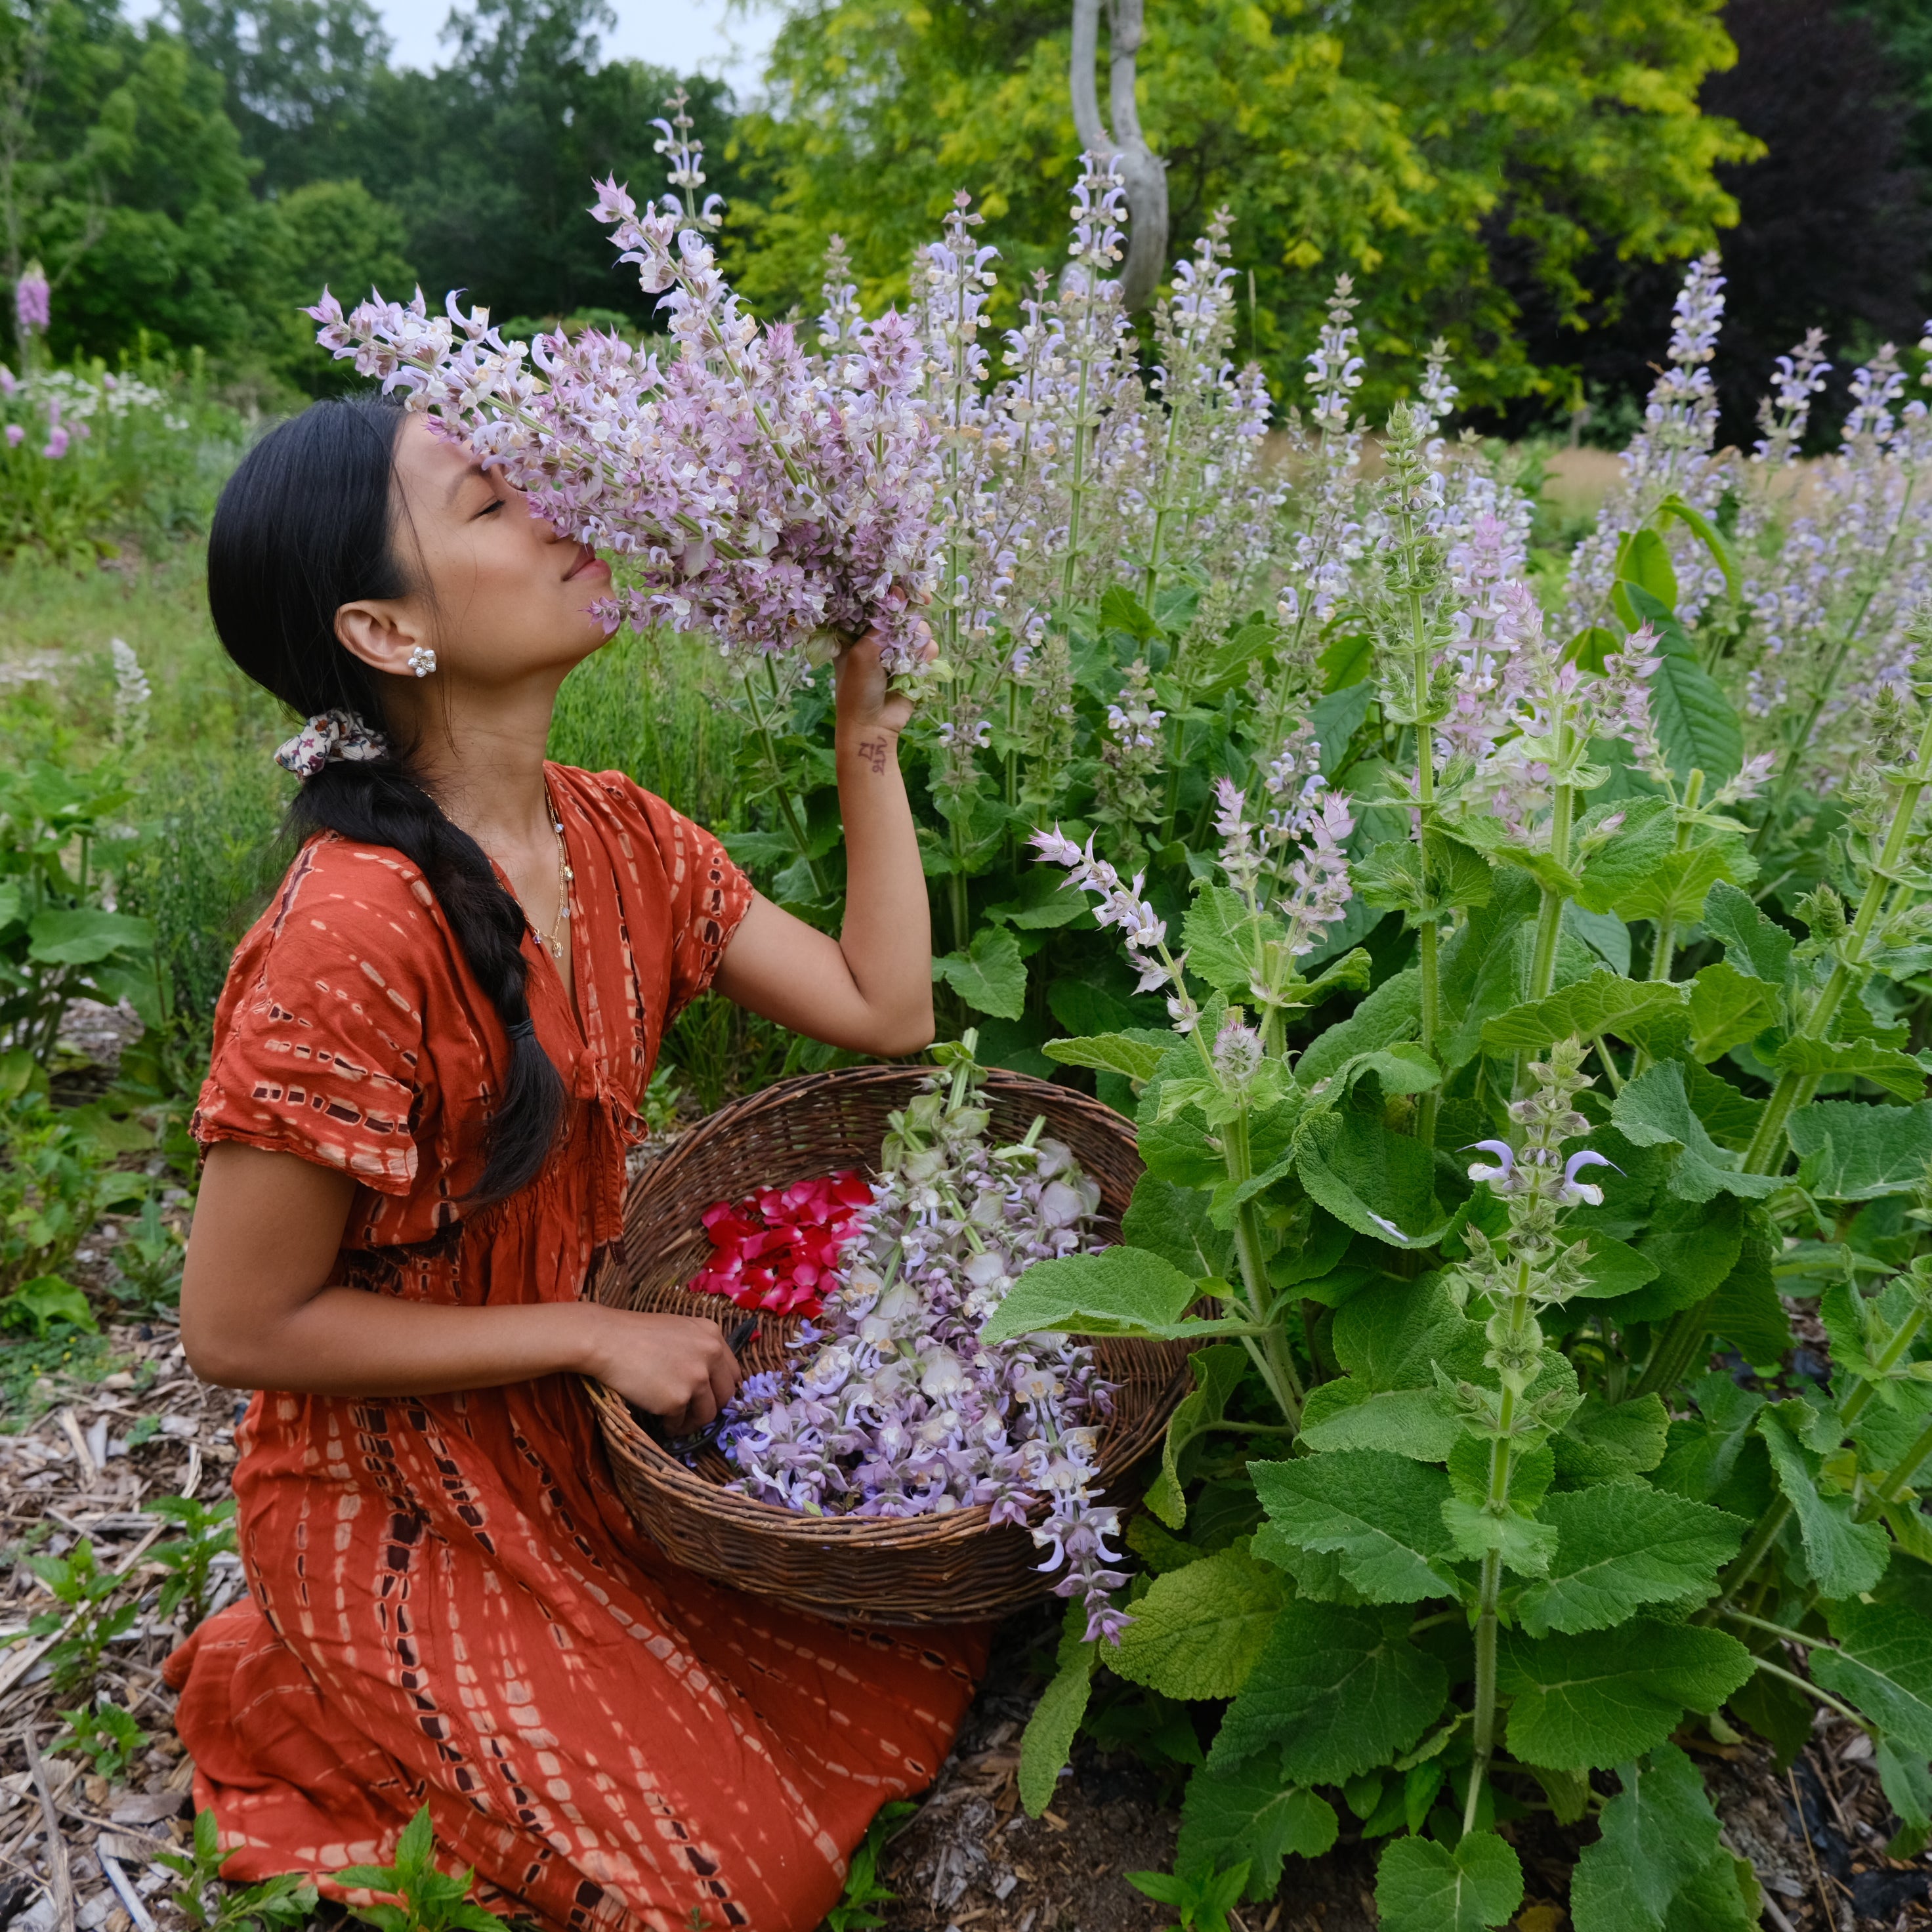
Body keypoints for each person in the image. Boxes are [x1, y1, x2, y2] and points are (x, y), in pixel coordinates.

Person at [165, 397, 983, 1932]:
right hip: (385, 1480)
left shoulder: (625, 839)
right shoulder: (348, 933)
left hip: (570, 1437)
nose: (554, 512)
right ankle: (297, 1682)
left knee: (914, 1651)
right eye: (486, 505)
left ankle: (444, 1677)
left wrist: (863, 725)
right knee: (749, 1883)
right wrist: (594, 1327)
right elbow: (238, 1328)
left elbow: (886, 1008)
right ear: (382, 628)